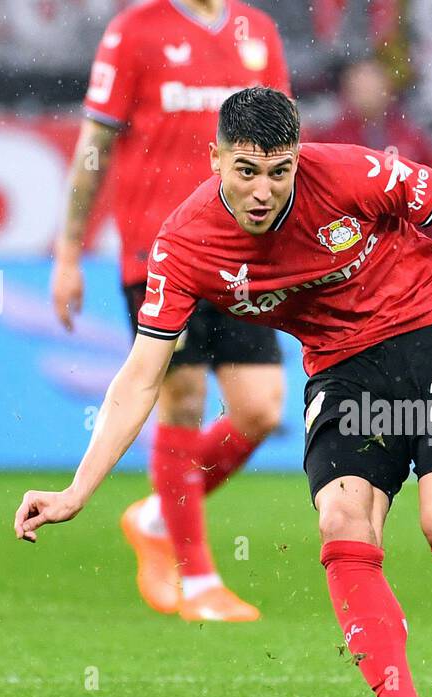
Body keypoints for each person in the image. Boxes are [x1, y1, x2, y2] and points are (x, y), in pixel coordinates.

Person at [16, 87, 432, 697]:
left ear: (299, 158)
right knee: (342, 523)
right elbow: (138, 376)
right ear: (214, 159)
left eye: (280, 171)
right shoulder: (184, 244)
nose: (264, 190)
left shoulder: (352, 173)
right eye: (246, 170)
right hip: (343, 369)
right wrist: (77, 490)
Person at [50, 0, 291, 623]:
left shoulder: (256, 31)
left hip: (243, 251)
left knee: (261, 409)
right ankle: (199, 579)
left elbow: (285, 151)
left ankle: (158, 514)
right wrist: (69, 249)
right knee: (180, 399)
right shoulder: (135, 30)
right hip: (160, 250)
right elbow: (94, 144)